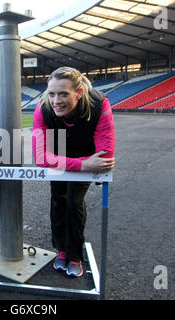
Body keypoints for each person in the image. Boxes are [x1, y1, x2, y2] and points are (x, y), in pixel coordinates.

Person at [32, 67, 115, 277]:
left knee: (73, 201)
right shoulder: (42, 108)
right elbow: (41, 158)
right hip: (68, 157)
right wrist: (82, 165)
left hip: (84, 153)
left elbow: (105, 158)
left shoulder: (99, 104)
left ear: (78, 93)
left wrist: (88, 164)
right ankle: (61, 249)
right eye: (51, 94)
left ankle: (75, 254)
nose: (56, 100)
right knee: (58, 199)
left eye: (63, 94)